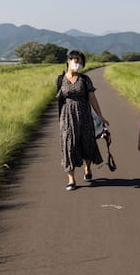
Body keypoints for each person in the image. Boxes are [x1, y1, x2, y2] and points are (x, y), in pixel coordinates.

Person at [57, 50, 109, 191]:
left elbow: (92, 98)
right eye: (74, 60)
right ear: (68, 60)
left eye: (79, 61)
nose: (77, 63)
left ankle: (87, 167)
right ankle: (71, 179)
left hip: (85, 115)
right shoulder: (60, 79)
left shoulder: (85, 80)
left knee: (87, 142)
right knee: (69, 145)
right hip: (67, 116)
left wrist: (101, 116)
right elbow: (59, 100)